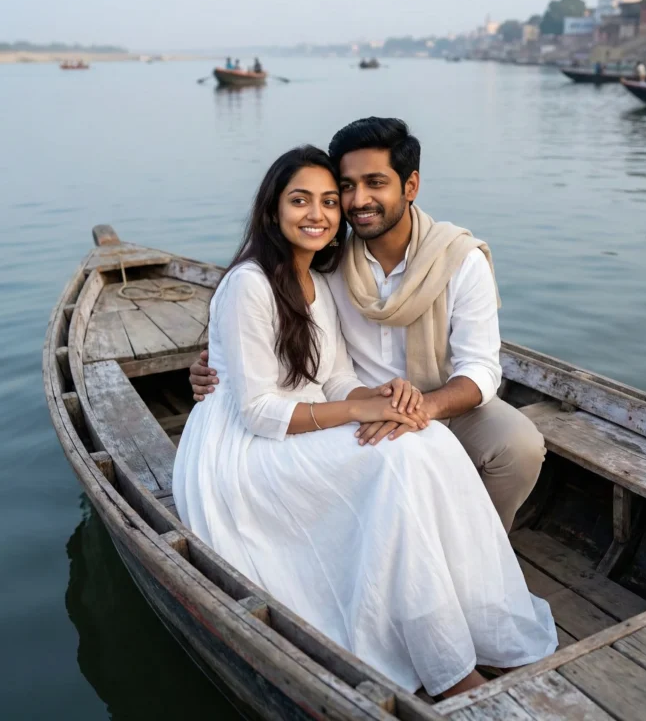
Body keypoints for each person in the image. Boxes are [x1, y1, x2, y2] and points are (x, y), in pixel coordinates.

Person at [174, 144, 557, 699]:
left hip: (342, 411)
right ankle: (446, 667)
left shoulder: (327, 275)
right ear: (272, 210)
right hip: (244, 447)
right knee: (396, 466)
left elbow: (333, 376)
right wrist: (364, 407)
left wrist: (388, 401)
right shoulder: (256, 282)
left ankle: (479, 621)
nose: (326, 211)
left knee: (430, 445)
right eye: (303, 199)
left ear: (410, 186)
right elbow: (257, 409)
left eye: (330, 200)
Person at [191, 118, 547, 534]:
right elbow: (267, 333)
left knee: (519, 446)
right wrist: (215, 370)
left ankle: (481, 547)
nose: (359, 200)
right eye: (346, 186)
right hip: (353, 403)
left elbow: (482, 368)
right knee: (404, 454)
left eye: (376, 183)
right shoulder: (327, 260)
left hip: (440, 398)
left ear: (410, 186)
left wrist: (420, 408)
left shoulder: (460, 260)